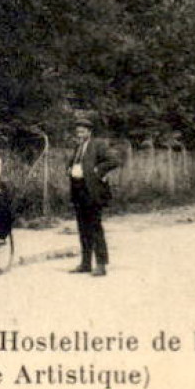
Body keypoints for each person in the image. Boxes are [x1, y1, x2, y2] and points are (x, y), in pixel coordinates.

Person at [67, 112, 121, 277]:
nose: (80, 135)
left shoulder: (98, 145)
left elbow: (113, 161)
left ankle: (101, 265)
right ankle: (85, 263)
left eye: (82, 132)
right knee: (83, 228)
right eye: (78, 132)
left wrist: (98, 171)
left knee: (95, 227)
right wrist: (69, 169)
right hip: (78, 190)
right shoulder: (78, 147)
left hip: (93, 191)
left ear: (89, 132)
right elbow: (73, 163)